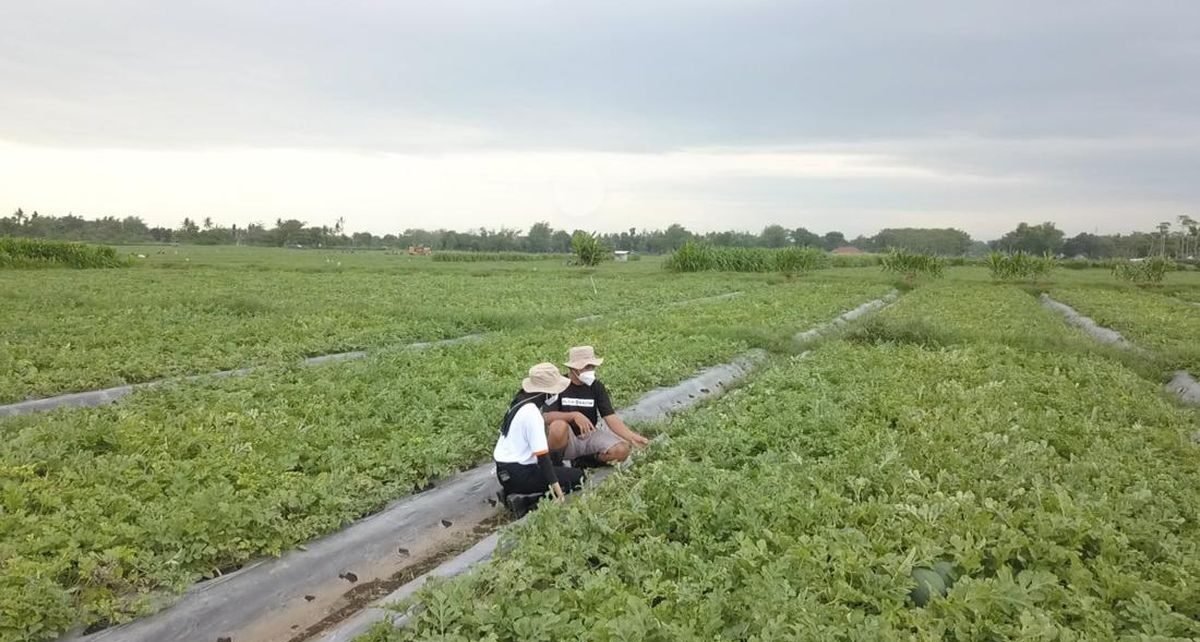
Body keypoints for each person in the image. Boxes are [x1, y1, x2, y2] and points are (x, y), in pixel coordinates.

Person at [493, 362, 585, 514]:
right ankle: (525, 501)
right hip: (521, 473)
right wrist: (558, 492)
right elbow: (542, 457)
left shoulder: (519, 401)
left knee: (558, 465)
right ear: (547, 391)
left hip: (503, 471)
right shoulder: (532, 414)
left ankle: (510, 491)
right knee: (578, 477)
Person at [543, 346, 649, 467]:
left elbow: (610, 417)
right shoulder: (557, 386)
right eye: (587, 367)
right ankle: (555, 463)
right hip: (566, 440)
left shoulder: (596, 386)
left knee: (621, 450)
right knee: (558, 425)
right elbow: (546, 416)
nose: (591, 371)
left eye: (592, 367)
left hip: (589, 435)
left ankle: (586, 460)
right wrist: (574, 416)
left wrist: (632, 437)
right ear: (573, 368)